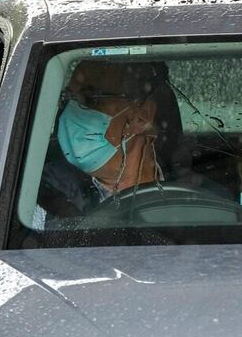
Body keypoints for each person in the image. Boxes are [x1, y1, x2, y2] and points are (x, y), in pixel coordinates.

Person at [37, 60, 182, 220]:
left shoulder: (188, 192)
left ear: (141, 117)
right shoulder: (38, 192)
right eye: (67, 97)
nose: (71, 112)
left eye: (90, 98)